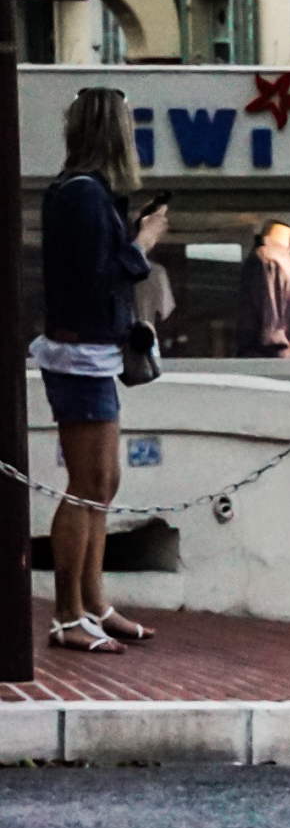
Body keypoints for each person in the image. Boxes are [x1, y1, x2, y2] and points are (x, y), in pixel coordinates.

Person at [35, 87, 164, 654]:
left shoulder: (80, 193)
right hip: (80, 353)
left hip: (87, 351)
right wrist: (141, 243)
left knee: (102, 483)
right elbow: (95, 277)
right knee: (88, 485)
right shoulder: (86, 197)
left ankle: (92, 603)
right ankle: (69, 613)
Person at [239, 220, 290, 358]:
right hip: (277, 353)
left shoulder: (278, 260)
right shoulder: (267, 260)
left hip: (285, 351)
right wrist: (275, 344)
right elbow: (269, 308)